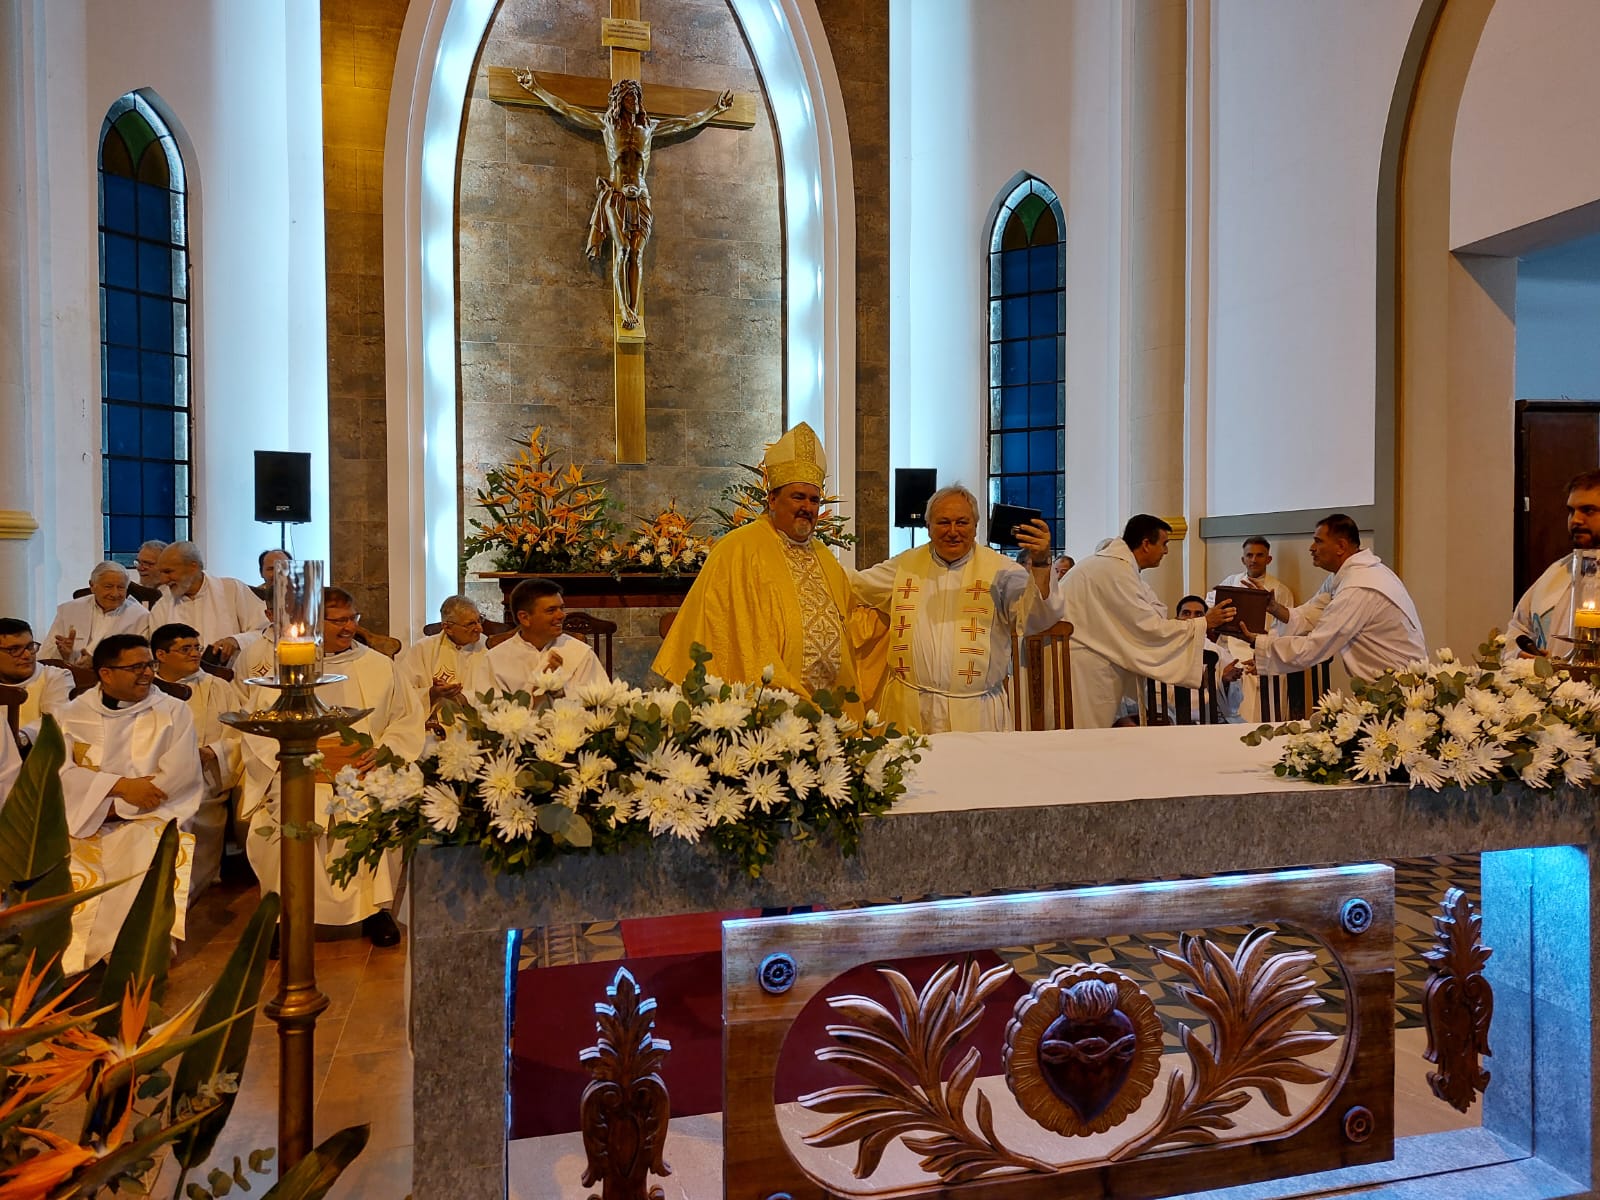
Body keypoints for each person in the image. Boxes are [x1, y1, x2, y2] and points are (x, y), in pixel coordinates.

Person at [235, 588, 424, 946]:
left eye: (353, 618)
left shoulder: (379, 666)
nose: (349, 627)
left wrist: (384, 751)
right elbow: (259, 727)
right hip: (299, 771)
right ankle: (282, 916)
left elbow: (407, 721)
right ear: (314, 624)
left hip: (366, 770)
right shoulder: (288, 669)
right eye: (339, 620)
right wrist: (293, 759)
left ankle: (374, 910)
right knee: (285, 815)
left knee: (378, 808)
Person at [652, 422, 862, 700]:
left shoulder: (825, 558)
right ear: (773, 499)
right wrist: (786, 693)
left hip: (831, 708)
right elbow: (728, 633)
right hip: (769, 704)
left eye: (814, 499)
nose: (807, 507)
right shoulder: (737, 550)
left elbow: (850, 628)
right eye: (798, 496)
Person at [514, 72, 733, 330]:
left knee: (637, 252)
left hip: (641, 196)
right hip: (616, 196)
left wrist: (714, 110)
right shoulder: (608, 126)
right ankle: (624, 308)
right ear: (619, 99)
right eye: (629, 96)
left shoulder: (648, 128)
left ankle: (634, 308)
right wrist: (536, 88)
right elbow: (567, 109)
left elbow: (685, 123)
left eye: (637, 96)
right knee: (623, 250)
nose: (634, 100)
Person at [850, 485, 1057, 732]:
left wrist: (1042, 562)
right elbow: (852, 585)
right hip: (908, 708)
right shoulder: (905, 566)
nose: (952, 531)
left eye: (962, 522)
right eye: (943, 522)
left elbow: (1036, 619)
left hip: (976, 713)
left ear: (975, 526)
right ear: (928, 527)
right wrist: (808, 554)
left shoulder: (1001, 571)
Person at [56, 634, 202, 973]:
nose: (148, 674)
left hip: (149, 817)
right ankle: (69, 959)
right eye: (136, 667)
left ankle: (133, 953)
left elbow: (179, 775)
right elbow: (60, 772)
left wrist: (115, 806)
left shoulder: (172, 711)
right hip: (82, 819)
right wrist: (119, 787)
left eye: (149, 665)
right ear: (106, 674)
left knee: (142, 851)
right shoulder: (70, 714)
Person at [1057, 515, 1237, 729]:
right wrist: (1203, 623)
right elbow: (1147, 629)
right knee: (1082, 741)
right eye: (1164, 544)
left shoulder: (1112, 566)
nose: (1166, 551)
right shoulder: (1115, 571)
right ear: (1145, 544)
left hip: (1089, 662)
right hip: (1085, 668)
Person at [1239, 513, 1426, 680]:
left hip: (1400, 688)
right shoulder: (1344, 576)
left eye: (1318, 541)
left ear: (1340, 547)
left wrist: (1259, 643)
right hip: (1384, 685)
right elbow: (1311, 614)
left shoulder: (1358, 587)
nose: (1312, 548)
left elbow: (1316, 647)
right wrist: (1274, 607)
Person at [152, 622, 242, 895]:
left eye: (196, 647)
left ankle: (190, 890)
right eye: (185, 649)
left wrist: (211, 752)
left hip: (204, 776)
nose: (194, 654)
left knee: (196, 811)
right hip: (153, 777)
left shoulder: (218, 687)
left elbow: (239, 732)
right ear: (161, 655)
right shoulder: (146, 688)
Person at [1504, 469, 1600, 662]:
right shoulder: (1556, 572)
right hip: (1555, 689)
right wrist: (1521, 655)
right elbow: (1519, 629)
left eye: (1588, 510)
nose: (1576, 520)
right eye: (1571, 511)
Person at [474, 580, 606, 697]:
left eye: (561, 608)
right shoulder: (495, 659)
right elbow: (489, 711)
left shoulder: (580, 653)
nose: (562, 615)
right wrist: (539, 689)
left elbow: (600, 699)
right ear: (525, 618)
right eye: (551, 610)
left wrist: (559, 691)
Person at [149, 541, 269, 663]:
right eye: (161, 573)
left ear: (193, 567)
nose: (163, 580)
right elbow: (156, 652)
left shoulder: (231, 589)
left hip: (232, 676)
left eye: (168, 572)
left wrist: (236, 641)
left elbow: (266, 630)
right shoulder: (162, 607)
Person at [398, 595, 491, 716]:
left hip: (477, 726)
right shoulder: (422, 649)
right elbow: (402, 694)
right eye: (470, 624)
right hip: (433, 726)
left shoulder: (489, 648)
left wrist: (463, 698)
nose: (480, 628)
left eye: (479, 620)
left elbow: (498, 692)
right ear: (448, 628)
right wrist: (432, 693)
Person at [44, 561, 150, 663]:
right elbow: (46, 654)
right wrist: (65, 654)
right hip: (69, 675)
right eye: (108, 587)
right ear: (92, 586)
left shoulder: (140, 617)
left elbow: (140, 659)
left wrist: (96, 663)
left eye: (121, 587)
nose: (115, 593)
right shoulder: (69, 610)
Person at [0, 619, 72, 745]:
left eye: (29, 646)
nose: (27, 655)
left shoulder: (55, 676)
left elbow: (54, 719)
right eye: (14, 649)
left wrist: (20, 738)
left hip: (36, 754)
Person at [1176, 595, 1243, 722]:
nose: (1192, 619)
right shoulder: (1165, 652)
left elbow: (1233, 705)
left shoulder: (1218, 653)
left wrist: (1225, 682)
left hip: (1213, 720)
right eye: (1186, 613)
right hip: (1175, 721)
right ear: (1176, 619)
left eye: (1198, 614)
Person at [1208, 536, 1294, 630]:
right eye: (1249, 555)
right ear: (1243, 560)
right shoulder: (1231, 582)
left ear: (1268, 559)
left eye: (1259, 555)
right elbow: (1209, 604)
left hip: (1262, 642)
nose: (1254, 560)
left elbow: (1286, 626)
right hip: (1227, 642)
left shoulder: (1281, 591)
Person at [132, 539, 169, 604]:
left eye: (146, 563)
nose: (140, 568)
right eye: (138, 562)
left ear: (165, 565)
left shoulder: (175, 596)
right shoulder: (134, 593)